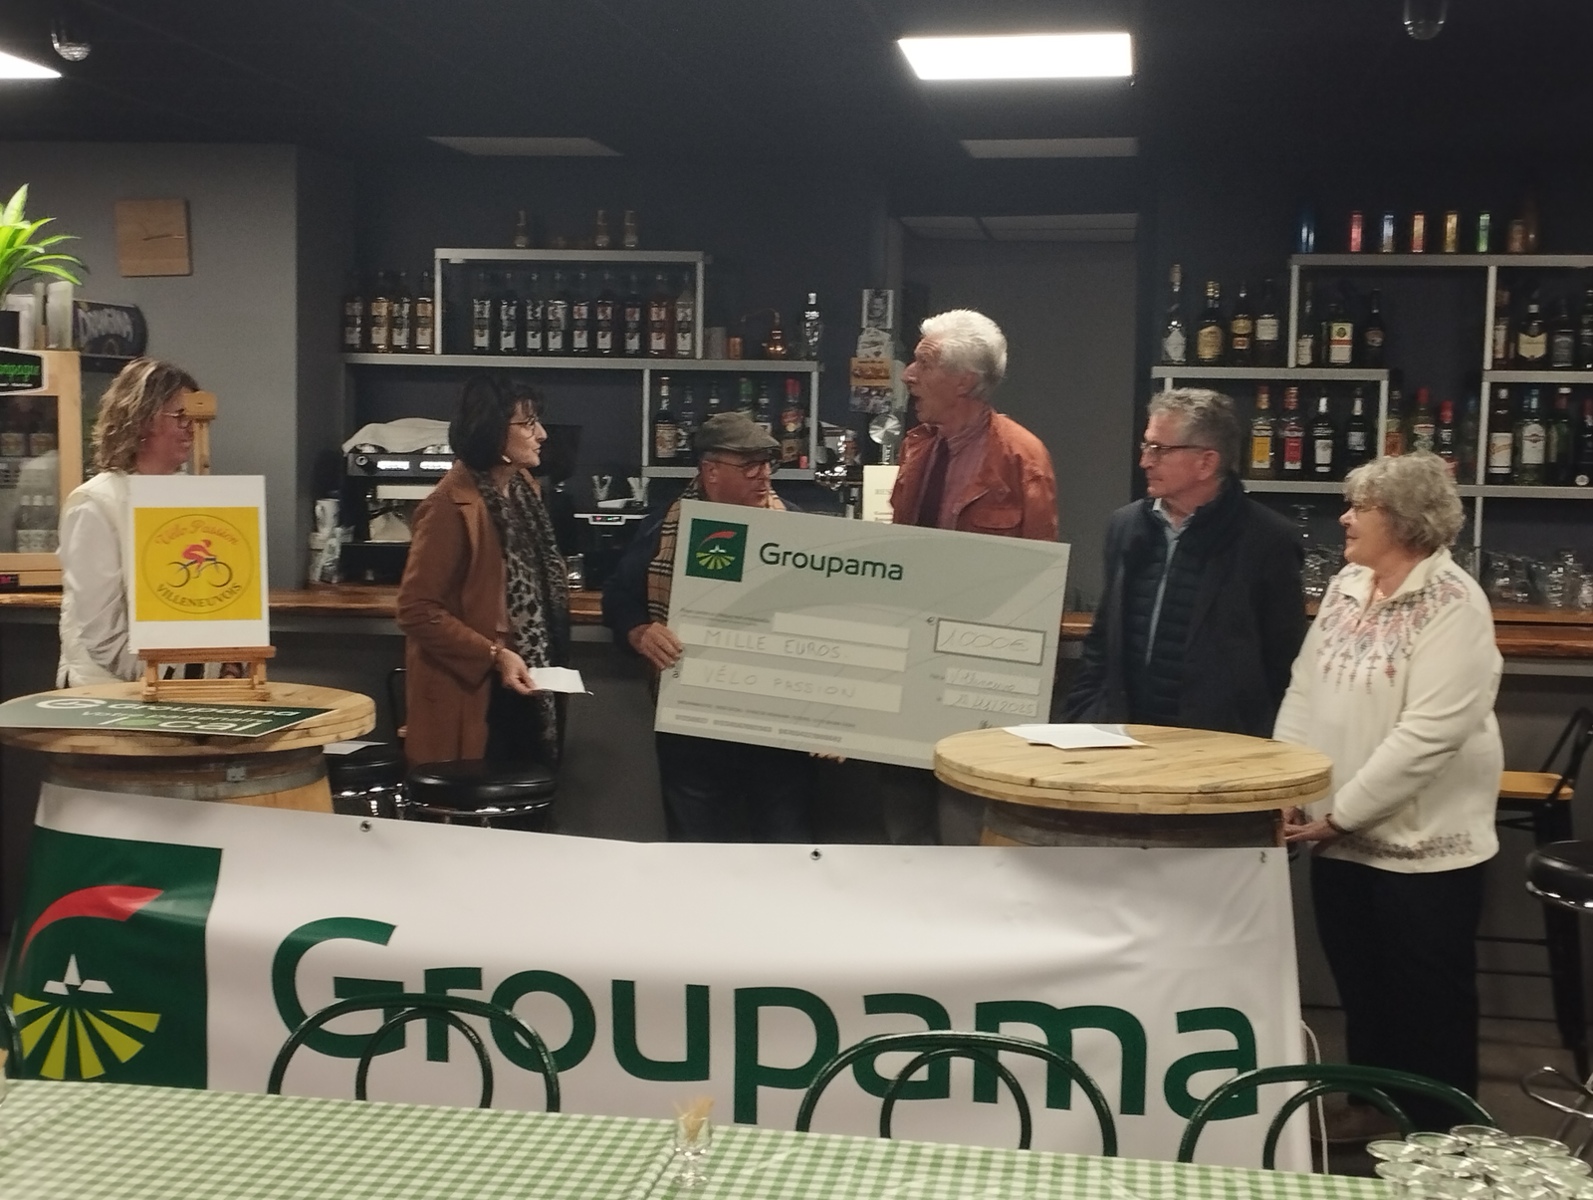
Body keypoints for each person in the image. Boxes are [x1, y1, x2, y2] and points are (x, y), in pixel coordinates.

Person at [1278, 451, 1503, 1137]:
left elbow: (1426, 737)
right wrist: (1290, 785)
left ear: (1403, 520)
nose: (1344, 518)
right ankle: (1374, 1109)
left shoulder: (1455, 605)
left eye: (1360, 508)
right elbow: (1304, 688)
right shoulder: (1348, 583)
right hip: (1339, 836)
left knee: (1428, 1001)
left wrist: (1341, 814)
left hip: (1424, 848)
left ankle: (1443, 1135)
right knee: (1363, 988)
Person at [882, 308, 1059, 843]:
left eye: (924, 363)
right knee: (903, 830)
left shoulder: (1021, 457)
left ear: (965, 381)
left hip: (976, 677)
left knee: (967, 833)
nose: (908, 374)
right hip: (907, 665)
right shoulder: (918, 446)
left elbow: (1039, 583)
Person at [603, 411, 813, 842]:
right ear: (710, 471)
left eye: (767, 463)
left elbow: (826, 620)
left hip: (774, 725)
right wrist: (640, 631)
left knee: (784, 850)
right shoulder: (664, 528)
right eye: (749, 465)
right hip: (693, 727)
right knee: (695, 851)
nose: (763, 475)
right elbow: (619, 595)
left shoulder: (798, 529)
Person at [1064, 389, 1305, 736]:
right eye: (1146, 446)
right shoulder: (1125, 526)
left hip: (1217, 746)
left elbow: (1283, 662)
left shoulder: (1268, 541)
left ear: (1206, 462)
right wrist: (1082, 714)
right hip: (1122, 737)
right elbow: (1103, 639)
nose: (1145, 461)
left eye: (1159, 449)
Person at [396, 376, 569, 770]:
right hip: (475, 688)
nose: (541, 434)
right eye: (528, 424)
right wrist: (493, 654)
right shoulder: (448, 507)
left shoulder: (523, 489)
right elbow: (416, 609)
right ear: (493, 433)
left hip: (524, 674)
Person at [57, 358, 201, 687]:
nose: (191, 427)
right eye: (180, 416)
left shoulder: (193, 496)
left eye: (196, 416)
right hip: (106, 693)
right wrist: (158, 678)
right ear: (141, 418)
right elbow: (101, 631)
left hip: (174, 688)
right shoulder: (95, 502)